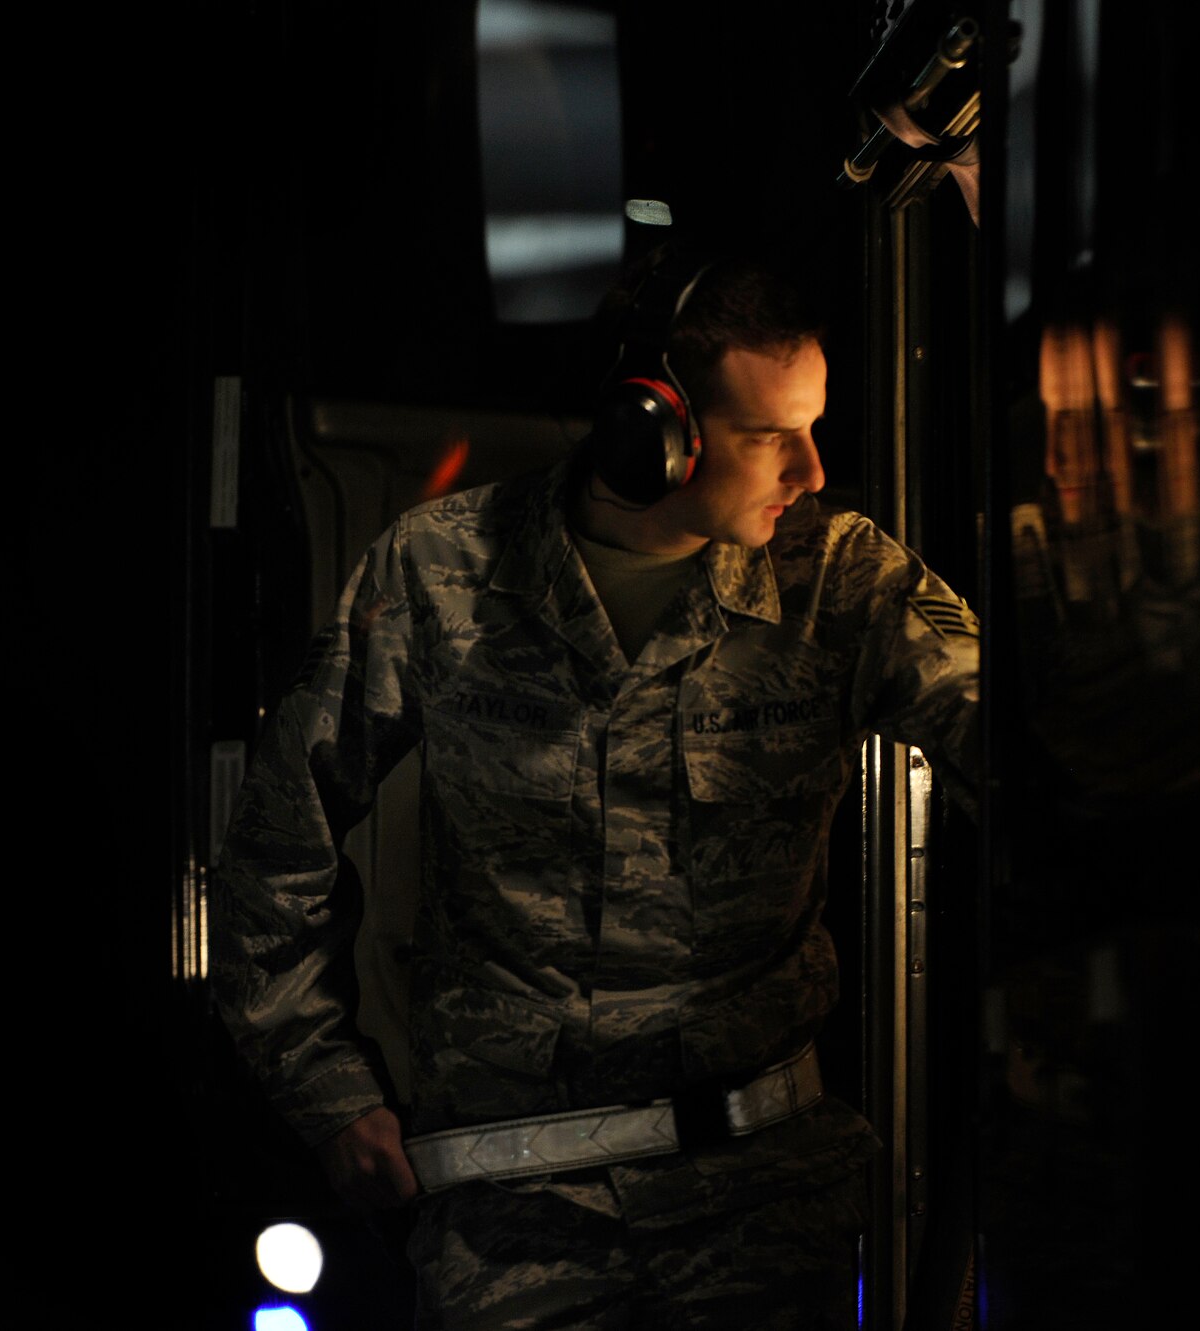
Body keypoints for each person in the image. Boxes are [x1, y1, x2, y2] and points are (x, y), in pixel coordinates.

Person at [211, 244, 980, 1329]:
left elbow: (1014, 745)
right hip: (509, 1230)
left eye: (812, 427)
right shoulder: (440, 570)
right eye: (770, 436)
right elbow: (272, 845)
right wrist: (326, 1089)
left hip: (763, 1214)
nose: (812, 471)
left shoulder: (842, 579)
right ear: (652, 432)